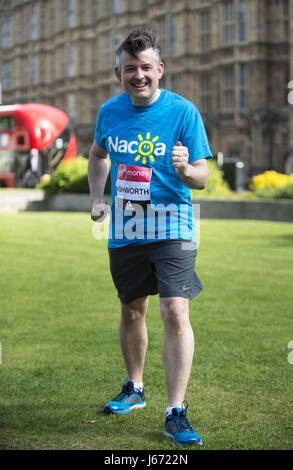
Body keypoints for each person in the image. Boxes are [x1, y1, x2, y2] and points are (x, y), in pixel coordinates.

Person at [88, 29, 212, 447]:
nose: (138, 75)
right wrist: (97, 198)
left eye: (146, 68)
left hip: (173, 222)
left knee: (176, 311)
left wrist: (184, 170)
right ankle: (135, 389)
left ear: (159, 70)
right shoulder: (109, 112)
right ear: (118, 72)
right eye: (130, 69)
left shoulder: (183, 112)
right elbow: (98, 155)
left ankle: (176, 411)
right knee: (131, 311)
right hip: (126, 228)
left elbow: (203, 178)